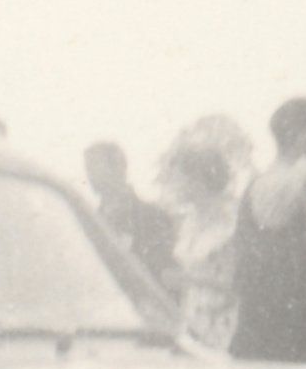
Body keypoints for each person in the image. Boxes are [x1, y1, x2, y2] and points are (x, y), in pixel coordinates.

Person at [232, 97, 306, 363]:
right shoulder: (275, 184)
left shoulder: (281, 184)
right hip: (272, 327)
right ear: (303, 136)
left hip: (287, 321)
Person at [157, 116, 251, 351]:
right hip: (192, 322)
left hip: (224, 325)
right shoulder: (188, 221)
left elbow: (242, 284)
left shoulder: (234, 221)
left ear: (198, 178)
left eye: (177, 177)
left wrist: (187, 279)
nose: (171, 183)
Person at [83, 141, 176, 286]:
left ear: (119, 168)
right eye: (88, 168)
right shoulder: (89, 222)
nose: (90, 175)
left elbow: (163, 277)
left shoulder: (154, 217)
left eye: (96, 166)